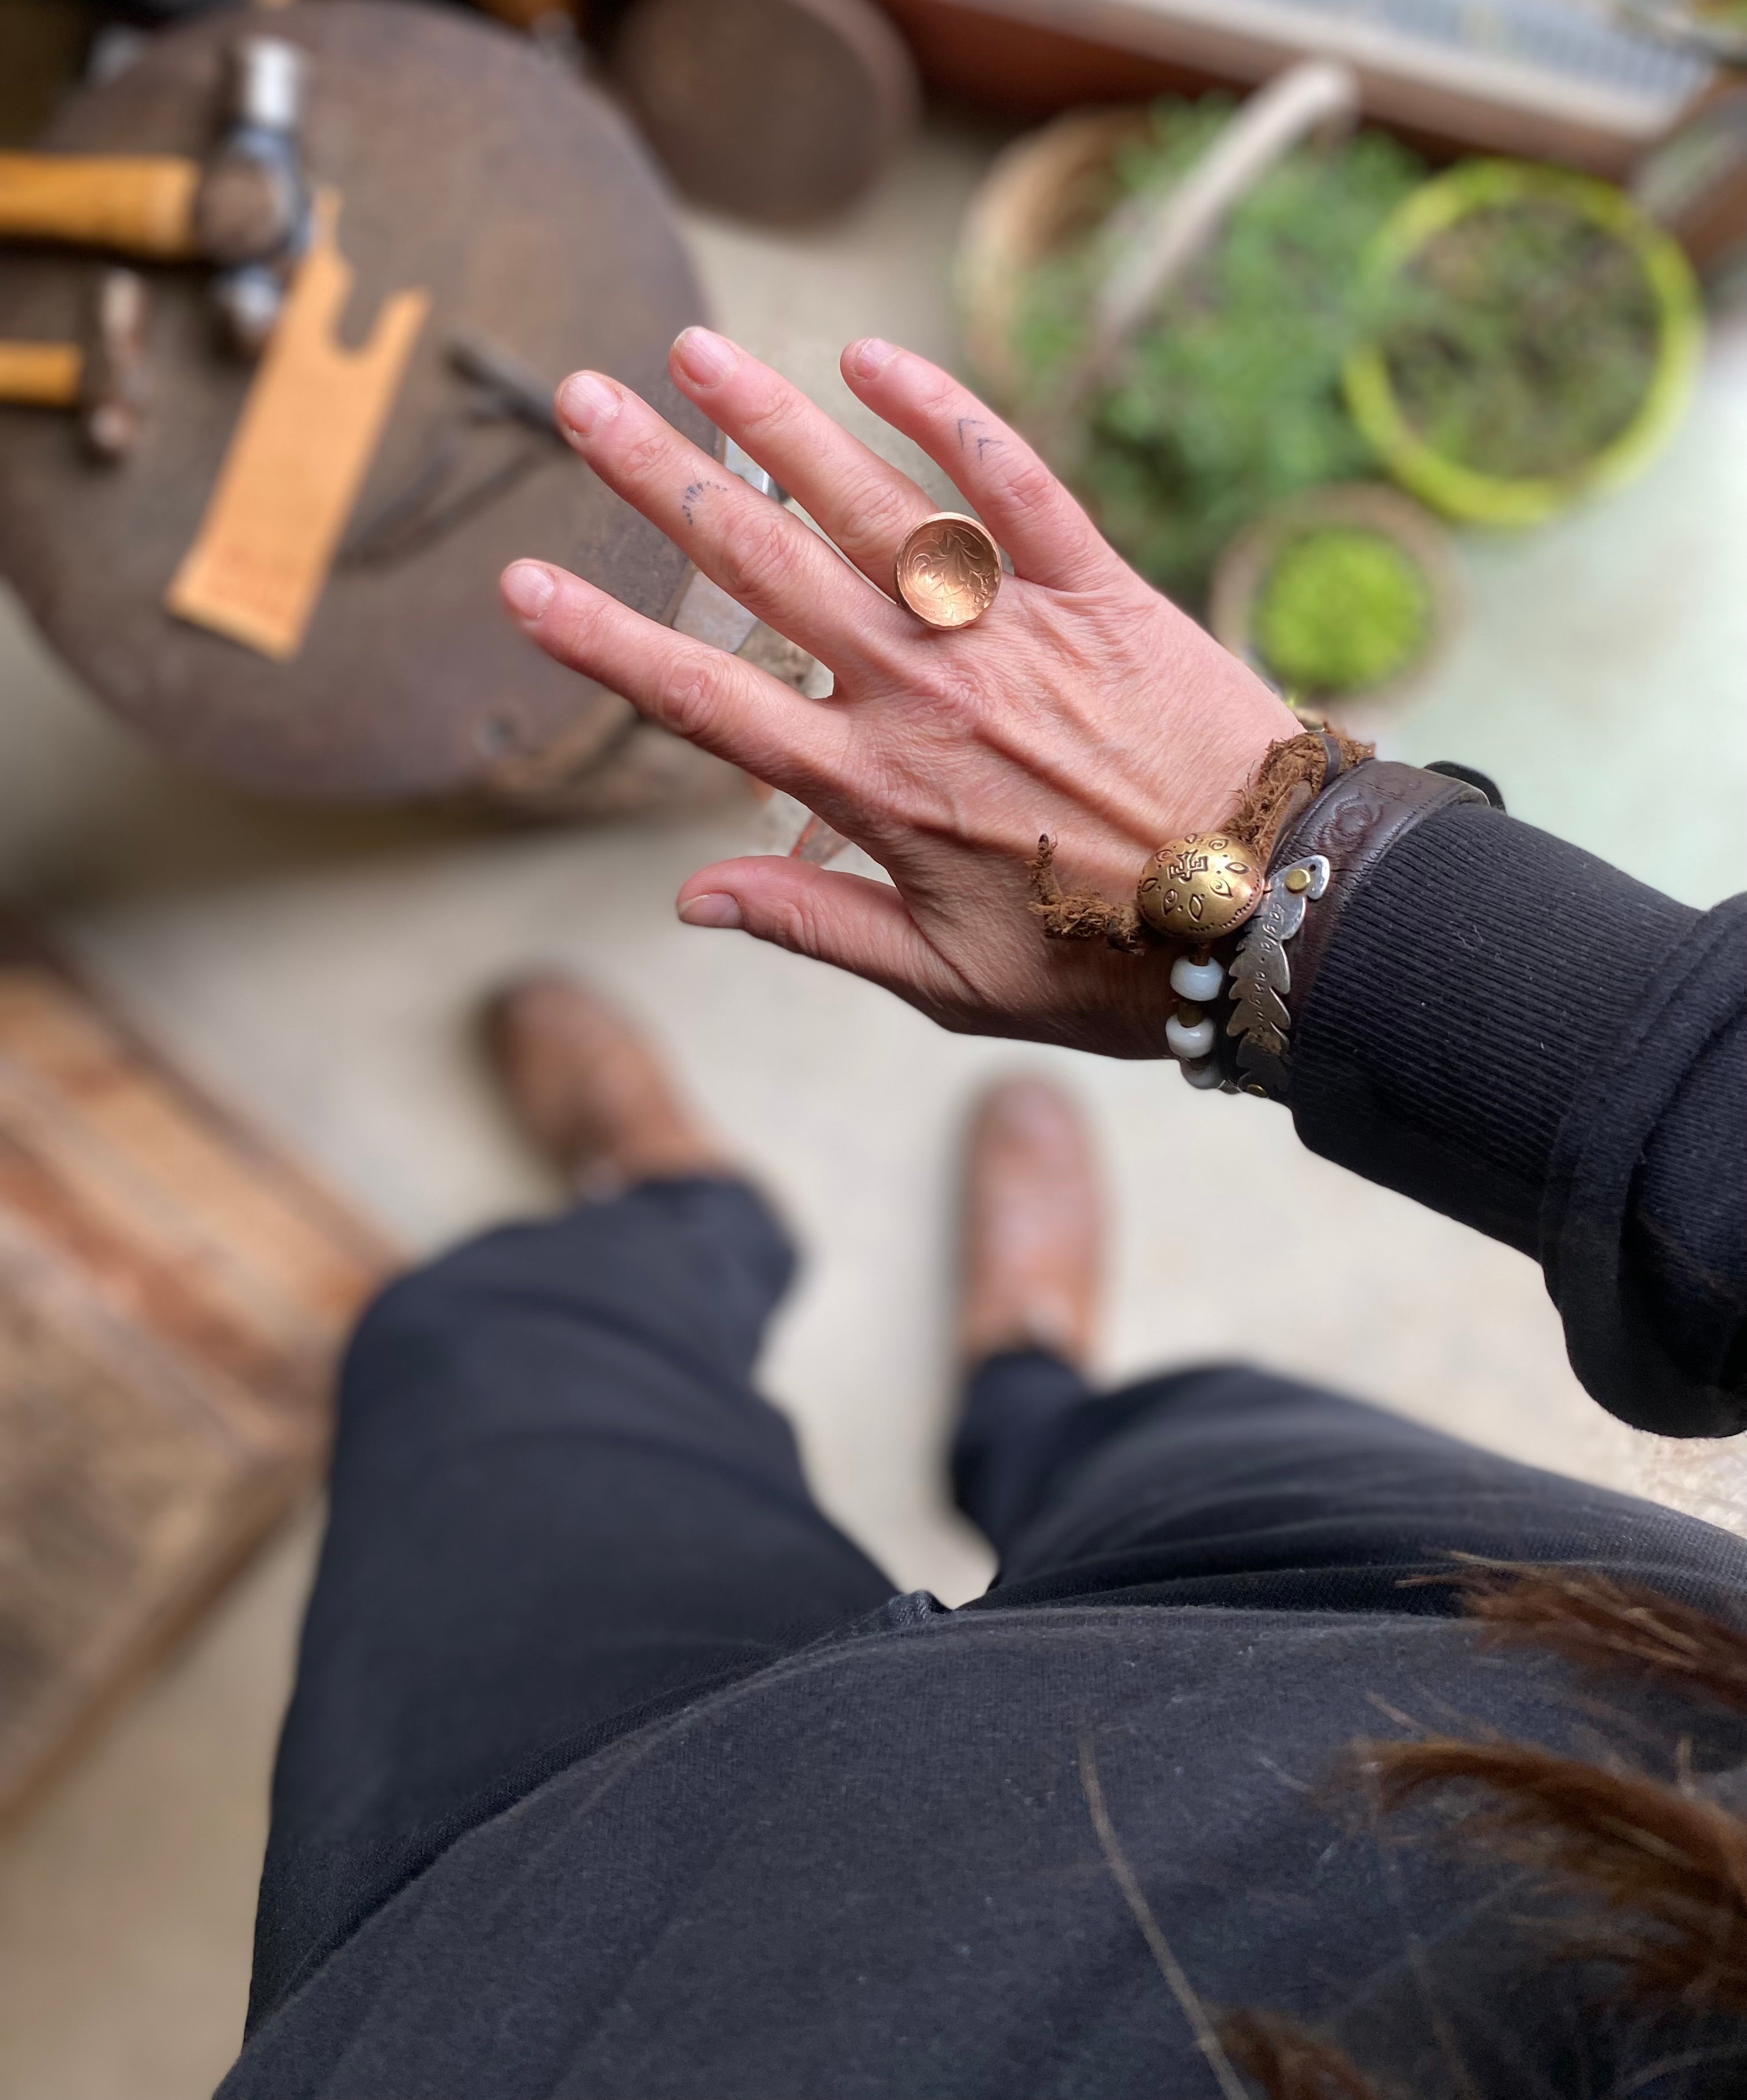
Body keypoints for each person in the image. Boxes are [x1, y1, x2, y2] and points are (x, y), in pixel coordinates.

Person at [220, 332, 1746, 2100]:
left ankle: (672, 1213)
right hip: (1578, 1699)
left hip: (572, 1969)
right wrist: (1310, 898)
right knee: (1206, 1435)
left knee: (478, 1354)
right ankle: (1027, 1385)